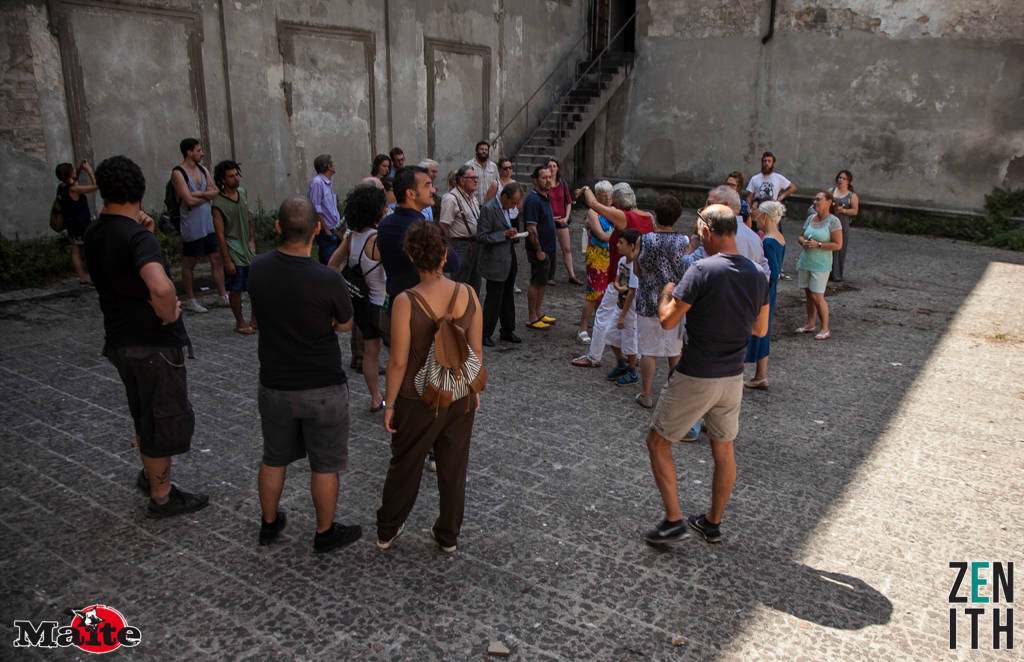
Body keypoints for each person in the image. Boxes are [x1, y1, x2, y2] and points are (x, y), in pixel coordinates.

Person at [84, 155, 208, 518]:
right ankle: (162, 494)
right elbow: (160, 287)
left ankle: (151, 474)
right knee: (162, 416)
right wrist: (169, 313)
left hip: (119, 338)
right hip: (151, 342)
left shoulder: (96, 232)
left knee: (142, 409)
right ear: (140, 189)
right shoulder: (137, 238)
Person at [643, 204, 769, 546]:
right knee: (724, 450)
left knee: (657, 441)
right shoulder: (758, 274)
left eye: (700, 231)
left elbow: (668, 320)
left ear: (708, 231)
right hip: (733, 377)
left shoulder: (701, 270)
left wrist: (667, 293)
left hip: (697, 373)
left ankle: (673, 521)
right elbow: (760, 328)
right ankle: (712, 523)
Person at [247, 195, 362, 553]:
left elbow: (258, 315)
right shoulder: (327, 278)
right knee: (325, 463)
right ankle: (324, 532)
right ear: (317, 228)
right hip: (322, 385)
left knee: (274, 456)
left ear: (278, 227)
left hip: (275, 381)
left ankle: (268, 524)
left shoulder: (258, 268)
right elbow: (345, 324)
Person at [376, 220, 483, 554]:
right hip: (459, 393)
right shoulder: (468, 294)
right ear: (445, 255)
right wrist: (473, 390)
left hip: (417, 396)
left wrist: (389, 404)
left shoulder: (406, 301)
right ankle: (448, 535)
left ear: (410, 255)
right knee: (453, 467)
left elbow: (397, 361)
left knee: (405, 464)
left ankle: (388, 528)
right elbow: (476, 352)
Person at [328, 185, 388, 411]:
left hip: (361, 304)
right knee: (396, 353)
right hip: (380, 304)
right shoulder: (378, 238)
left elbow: (332, 266)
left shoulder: (351, 237)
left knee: (370, 353)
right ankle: (393, 399)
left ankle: (375, 397)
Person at [631, 195, 690, 409]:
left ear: (656, 215)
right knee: (674, 351)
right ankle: (673, 394)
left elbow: (636, 269)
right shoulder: (683, 241)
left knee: (648, 350)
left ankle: (646, 393)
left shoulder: (645, 240)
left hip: (648, 300)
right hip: (674, 302)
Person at [575, 229, 641, 383]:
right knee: (610, 335)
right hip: (620, 305)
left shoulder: (636, 267)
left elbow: (632, 293)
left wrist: (623, 315)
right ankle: (621, 364)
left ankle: (632, 372)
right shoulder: (622, 261)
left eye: (621, 243)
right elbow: (618, 280)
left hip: (630, 310)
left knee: (630, 343)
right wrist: (618, 287)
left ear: (631, 246)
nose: (617, 245)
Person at [173, 138, 227, 313]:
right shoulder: (178, 173)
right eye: (198, 150)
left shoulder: (203, 170)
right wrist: (205, 195)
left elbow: (215, 191)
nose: (201, 153)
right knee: (190, 261)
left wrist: (199, 194)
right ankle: (190, 299)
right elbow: (186, 199)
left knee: (215, 258)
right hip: (191, 224)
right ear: (189, 152)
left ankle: (222, 295)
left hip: (208, 222)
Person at [574, 181, 654, 288]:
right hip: (642, 271)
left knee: (614, 302)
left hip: (623, 271)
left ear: (618, 203)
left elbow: (593, 204)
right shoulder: (649, 217)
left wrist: (586, 188)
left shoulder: (623, 216)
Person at [743, 201, 786, 389]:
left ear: (766, 216)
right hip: (770, 291)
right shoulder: (779, 237)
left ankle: (740, 373)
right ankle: (760, 375)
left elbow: (773, 272)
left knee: (753, 329)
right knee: (764, 330)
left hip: (764, 291)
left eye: (758, 215)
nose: (755, 218)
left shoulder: (768, 240)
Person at [211, 160, 257, 334]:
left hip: (247, 248)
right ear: (223, 179)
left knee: (254, 286)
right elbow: (220, 234)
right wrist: (227, 259)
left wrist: (252, 240)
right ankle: (240, 321)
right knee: (236, 288)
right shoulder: (218, 204)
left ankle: (255, 318)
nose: (236, 178)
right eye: (231, 176)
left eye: (237, 174)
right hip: (233, 248)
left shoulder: (242, 193)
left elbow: (248, 217)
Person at [476, 181, 524, 347]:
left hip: (508, 257)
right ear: (504, 197)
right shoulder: (489, 209)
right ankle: (485, 332)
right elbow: (482, 236)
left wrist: (513, 236)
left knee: (508, 296)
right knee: (494, 298)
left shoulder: (506, 210)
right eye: (512, 202)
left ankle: (507, 329)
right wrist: (503, 234)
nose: (513, 206)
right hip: (495, 261)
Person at [795, 191, 843, 340]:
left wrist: (818, 244)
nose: (815, 202)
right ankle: (810, 323)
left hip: (821, 264)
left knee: (817, 295)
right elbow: (800, 235)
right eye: (814, 199)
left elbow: (838, 244)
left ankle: (825, 327)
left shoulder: (834, 221)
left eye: (818, 199)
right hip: (806, 260)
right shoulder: (810, 218)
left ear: (829, 202)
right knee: (808, 294)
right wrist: (803, 241)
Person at [575, 180, 614, 344]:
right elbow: (602, 235)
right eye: (603, 196)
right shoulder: (593, 212)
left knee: (605, 295)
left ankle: (600, 327)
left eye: (609, 196)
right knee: (593, 294)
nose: (606, 199)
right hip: (597, 257)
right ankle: (582, 328)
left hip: (610, 256)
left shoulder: (613, 210)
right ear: (597, 197)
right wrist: (618, 232)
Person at [706, 185, 770, 277]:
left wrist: (693, 243)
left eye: (710, 204)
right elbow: (765, 273)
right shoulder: (755, 237)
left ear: (725, 205)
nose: (705, 209)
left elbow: (698, 268)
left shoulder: (715, 233)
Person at [522, 165, 558, 329]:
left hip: (549, 246)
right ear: (535, 180)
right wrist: (538, 250)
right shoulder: (533, 200)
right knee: (536, 281)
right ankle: (532, 317)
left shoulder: (545, 196)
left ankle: (538, 312)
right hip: (540, 248)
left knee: (543, 281)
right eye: (544, 177)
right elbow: (531, 228)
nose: (548, 180)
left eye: (550, 177)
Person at [438, 164, 481, 292]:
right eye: (472, 178)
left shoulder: (473, 198)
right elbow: (444, 226)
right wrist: (448, 249)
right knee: (460, 283)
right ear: (462, 180)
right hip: (460, 245)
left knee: (475, 283)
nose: (475, 180)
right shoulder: (451, 199)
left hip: (474, 244)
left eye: (476, 177)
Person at [54, 160, 97, 285]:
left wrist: (79, 169)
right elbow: (96, 186)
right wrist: (89, 171)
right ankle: (95, 276)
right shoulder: (74, 189)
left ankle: (82, 277)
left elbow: (74, 179)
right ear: (69, 173)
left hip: (71, 224)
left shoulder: (62, 187)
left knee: (76, 250)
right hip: (82, 224)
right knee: (91, 252)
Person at [545, 157, 581, 285]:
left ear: (558, 168)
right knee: (550, 249)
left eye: (554, 166)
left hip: (561, 220)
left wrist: (566, 217)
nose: (552, 168)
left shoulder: (562, 183)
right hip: (549, 220)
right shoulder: (545, 184)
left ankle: (572, 275)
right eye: (549, 166)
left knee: (567, 248)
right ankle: (549, 276)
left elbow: (569, 202)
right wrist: (549, 217)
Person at [306, 154, 343, 266]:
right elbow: (315, 209)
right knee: (328, 264)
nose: (335, 166)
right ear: (328, 166)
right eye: (333, 164)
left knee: (336, 262)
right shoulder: (317, 183)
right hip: (326, 231)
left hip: (334, 228)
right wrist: (326, 230)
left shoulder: (326, 182)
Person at [829, 170, 858, 282]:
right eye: (840, 178)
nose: (841, 180)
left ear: (848, 181)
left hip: (842, 222)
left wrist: (844, 210)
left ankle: (837, 273)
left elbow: (855, 211)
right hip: (830, 221)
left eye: (844, 178)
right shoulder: (830, 191)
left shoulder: (852, 195)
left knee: (840, 247)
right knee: (828, 245)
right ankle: (827, 272)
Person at [465, 140, 499, 205]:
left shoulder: (493, 166)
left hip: (490, 205)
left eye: (486, 150)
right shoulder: (468, 165)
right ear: (476, 151)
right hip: (474, 205)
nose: (484, 151)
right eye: (481, 149)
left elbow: (497, 184)